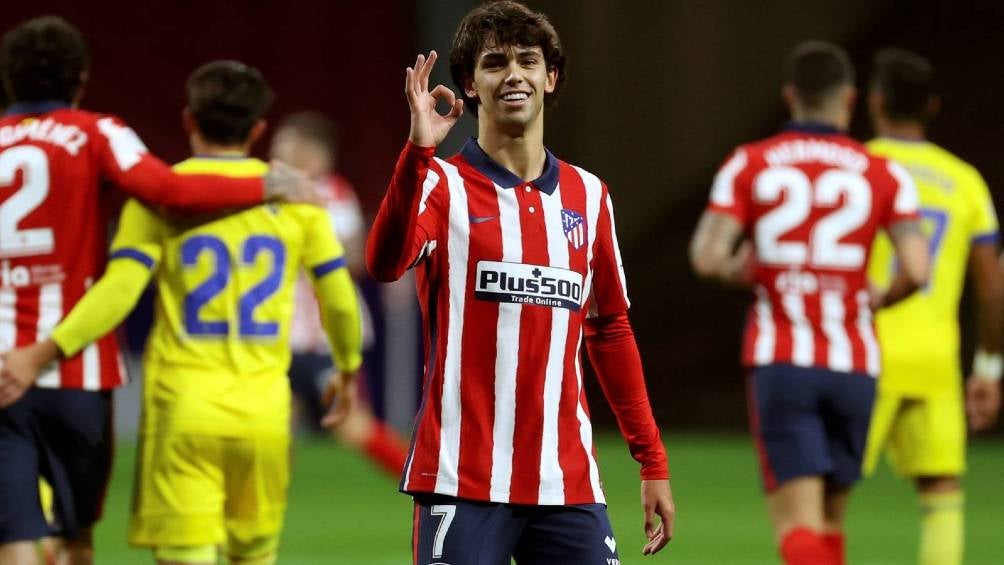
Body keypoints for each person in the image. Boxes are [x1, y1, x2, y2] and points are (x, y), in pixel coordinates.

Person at [1, 60, 362, 565]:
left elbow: (119, 292)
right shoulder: (297, 199)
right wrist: (346, 368)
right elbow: (340, 301)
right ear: (258, 129)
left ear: (189, 119)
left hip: (183, 410)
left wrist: (44, 351)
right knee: (254, 555)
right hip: (263, 413)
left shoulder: (158, 197)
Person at [366, 2, 674, 562]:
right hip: (461, 478)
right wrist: (416, 152)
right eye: (494, 62)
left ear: (549, 77)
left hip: (566, 481)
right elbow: (384, 263)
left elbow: (609, 330)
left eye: (528, 61)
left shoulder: (589, 195)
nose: (513, 74)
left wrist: (652, 461)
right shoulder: (439, 184)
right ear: (470, 84)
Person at [689, 41, 930, 565]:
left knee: (798, 530)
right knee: (829, 524)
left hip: (784, 362)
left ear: (790, 96)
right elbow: (917, 269)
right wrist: (881, 298)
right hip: (855, 364)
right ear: (849, 99)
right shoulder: (884, 172)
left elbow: (707, 256)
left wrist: (744, 270)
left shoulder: (751, 162)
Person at [861, 47, 1003, 565]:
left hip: (866, 352)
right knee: (942, 491)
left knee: (827, 491)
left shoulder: (859, 169)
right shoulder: (965, 181)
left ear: (874, 101)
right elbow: (992, 286)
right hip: (936, 360)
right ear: (934, 107)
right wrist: (987, 368)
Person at [271, 113, 409, 477]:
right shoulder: (270, 195)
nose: (278, 150)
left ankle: (425, 484)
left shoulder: (332, 194)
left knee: (352, 426)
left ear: (314, 154)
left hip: (325, 338)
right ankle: (260, 515)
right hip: (280, 334)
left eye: (287, 143)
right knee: (274, 428)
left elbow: (353, 258)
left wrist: (310, 246)